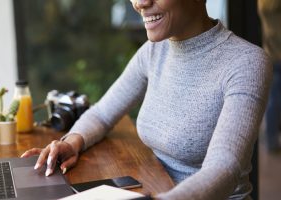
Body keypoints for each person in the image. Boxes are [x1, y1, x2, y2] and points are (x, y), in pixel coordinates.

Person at [22, 0, 272, 199]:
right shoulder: (154, 52)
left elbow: (223, 168)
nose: (140, 3)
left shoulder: (245, 63)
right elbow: (102, 113)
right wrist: (72, 142)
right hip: (153, 186)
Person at [258, 0, 281, 152]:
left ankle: (271, 138)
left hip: (272, 51)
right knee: (275, 100)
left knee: (274, 99)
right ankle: (271, 140)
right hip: (276, 53)